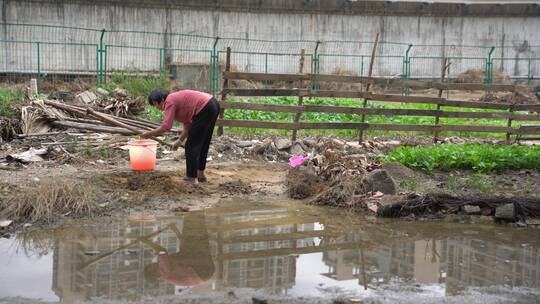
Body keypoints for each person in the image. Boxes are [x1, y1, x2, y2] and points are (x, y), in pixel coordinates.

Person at [142, 88, 220, 188]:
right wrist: (180, 140)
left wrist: (149, 134)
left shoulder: (169, 101)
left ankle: (192, 178)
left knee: (191, 146)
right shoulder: (176, 101)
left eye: (155, 104)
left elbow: (166, 126)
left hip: (205, 107)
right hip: (212, 104)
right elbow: (188, 124)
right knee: (203, 143)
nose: (156, 107)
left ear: (161, 100)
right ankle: (200, 174)